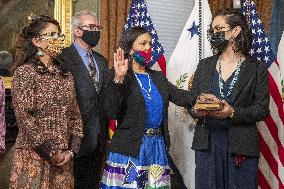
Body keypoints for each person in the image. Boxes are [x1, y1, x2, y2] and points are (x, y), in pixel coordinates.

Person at [100, 26, 200, 188]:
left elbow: (180, 96)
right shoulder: (115, 75)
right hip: (129, 148)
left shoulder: (158, 77)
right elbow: (110, 110)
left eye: (150, 44)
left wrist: (202, 98)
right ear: (130, 49)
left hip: (156, 147)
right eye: (143, 43)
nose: (148, 48)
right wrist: (119, 78)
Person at [190, 9, 269, 189]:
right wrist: (197, 109)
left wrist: (232, 112)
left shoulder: (256, 68)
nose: (214, 34)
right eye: (212, 30)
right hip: (207, 145)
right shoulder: (204, 65)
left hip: (241, 146)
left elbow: (262, 109)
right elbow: (191, 102)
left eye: (219, 28)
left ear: (235, 31)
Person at [9, 15, 83, 189]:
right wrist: (51, 152)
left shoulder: (65, 75)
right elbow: (25, 118)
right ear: (37, 41)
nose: (57, 39)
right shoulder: (25, 73)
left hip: (63, 161)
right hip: (33, 157)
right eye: (51, 35)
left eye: (58, 35)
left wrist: (71, 151)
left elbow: (76, 116)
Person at [60, 10, 108, 189]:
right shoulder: (62, 58)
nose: (95, 31)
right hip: (71, 139)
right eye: (91, 27)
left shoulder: (101, 61)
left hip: (98, 138)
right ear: (77, 31)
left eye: (97, 27)